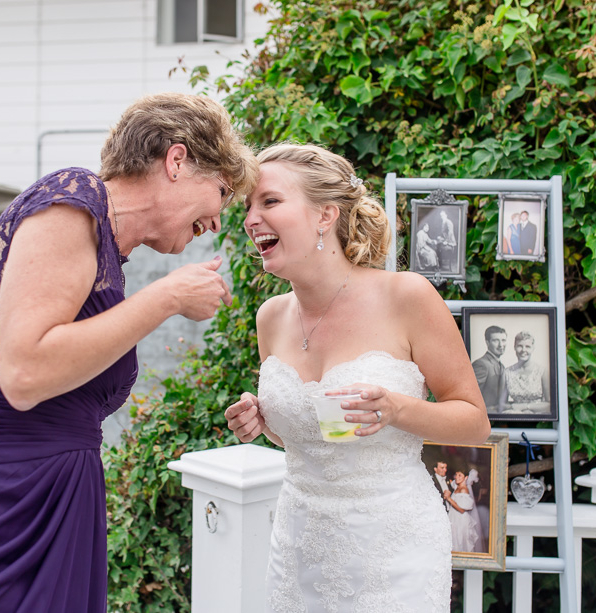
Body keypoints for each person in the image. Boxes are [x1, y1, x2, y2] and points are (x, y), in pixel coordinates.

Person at [0, 93, 259, 612]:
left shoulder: (111, 258)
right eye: (222, 192)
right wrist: (165, 299)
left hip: (53, 507)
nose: (218, 219)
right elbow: (24, 372)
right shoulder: (72, 199)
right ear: (177, 161)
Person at [224, 144, 490, 612]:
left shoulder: (406, 296)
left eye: (268, 202)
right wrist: (266, 423)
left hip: (392, 551)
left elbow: (474, 422)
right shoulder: (270, 318)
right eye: (247, 206)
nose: (250, 219)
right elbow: (314, 441)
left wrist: (396, 408)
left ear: (325, 215)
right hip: (298, 545)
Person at [498, 330, 550, 414]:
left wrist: (526, 407)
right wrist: (516, 409)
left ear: (533, 348)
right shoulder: (507, 373)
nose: (523, 350)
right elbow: (501, 404)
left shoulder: (542, 372)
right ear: (514, 347)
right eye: (520, 346)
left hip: (538, 419)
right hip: (514, 417)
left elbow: (550, 405)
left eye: (528, 346)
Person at [443, 469, 483, 553]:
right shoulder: (457, 487)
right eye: (456, 474)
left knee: (460, 541)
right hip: (454, 518)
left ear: (466, 477)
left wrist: (449, 498)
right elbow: (452, 483)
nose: (456, 477)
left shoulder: (464, 490)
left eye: (460, 475)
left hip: (460, 520)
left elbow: (461, 509)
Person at [471, 325, 507, 412]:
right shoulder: (481, 364)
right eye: (496, 341)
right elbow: (471, 396)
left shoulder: (502, 366)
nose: (501, 345)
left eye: (503, 340)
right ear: (487, 342)